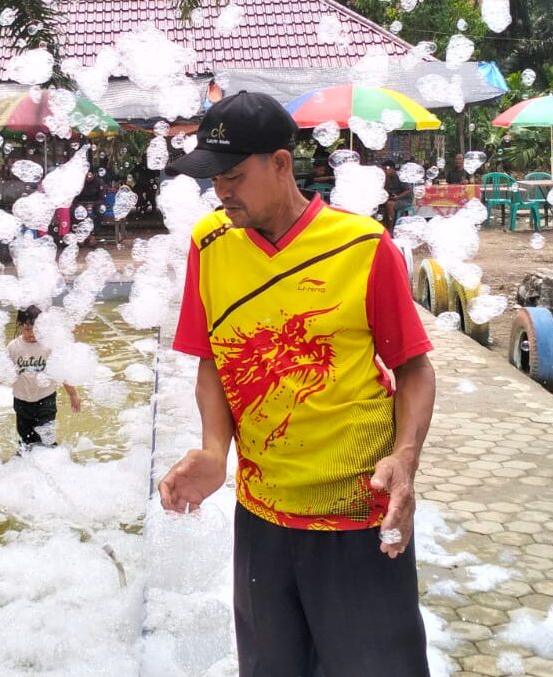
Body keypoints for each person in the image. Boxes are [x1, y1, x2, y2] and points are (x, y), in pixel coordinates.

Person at [158, 90, 435, 677]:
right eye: (213, 180)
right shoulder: (209, 245)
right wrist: (214, 449)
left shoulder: (363, 247)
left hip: (356, 515)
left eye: (232, 176)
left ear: (281, 164)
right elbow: (214, 357)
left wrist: (404, 460)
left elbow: (413, 366)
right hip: (262, 520)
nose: (221, 192)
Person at [0, 306, 82, 452]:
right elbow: (0, 375)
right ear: (20, 326)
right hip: (21, 402)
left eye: (36, 330)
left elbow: (61, 373)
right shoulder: (14, 347)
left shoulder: (48, 346)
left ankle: (54, 463)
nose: (32, 334)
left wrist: (73, 394)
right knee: (26, 442)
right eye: (27, 330)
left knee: (46, 438)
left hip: (46, 400)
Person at [381, 159, 412, 233]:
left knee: (389, 204)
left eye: (386, 169)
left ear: (392, 169)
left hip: (404, 200)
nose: (384, 171)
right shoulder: (385, 178)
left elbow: (409, 190)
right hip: (392, 198)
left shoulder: (401, 177)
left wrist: (397, 197)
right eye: (383, 169)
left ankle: (391, 228)